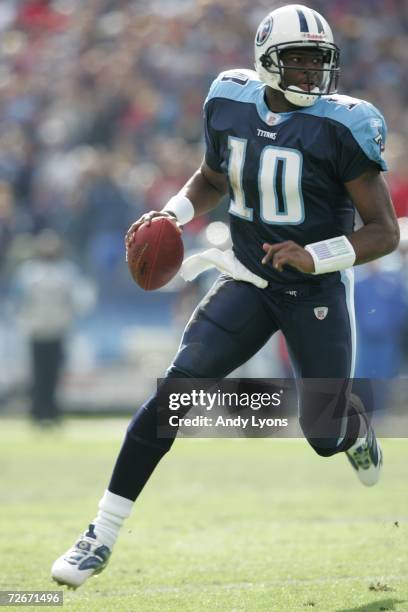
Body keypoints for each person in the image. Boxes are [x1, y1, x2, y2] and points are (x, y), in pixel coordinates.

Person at [51, 4, 399, 588]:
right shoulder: (228, 100)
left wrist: (315, 255)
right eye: (298, 60)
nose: (311, 73)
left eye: (319, 61)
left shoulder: (345, 125)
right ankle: (99, 535)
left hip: (313, 288)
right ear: (266, 61)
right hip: (247, 277)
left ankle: (351, 428)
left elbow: (384, 231)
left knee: (321, 435)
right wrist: (174, 211)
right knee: (173, 397)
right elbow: (213, 177)